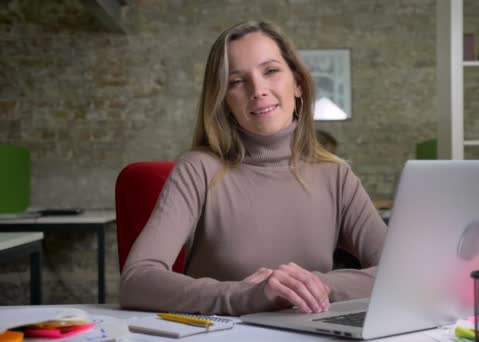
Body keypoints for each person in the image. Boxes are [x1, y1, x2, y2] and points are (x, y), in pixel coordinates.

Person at [119, 20, 387, 316]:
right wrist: (251, 294)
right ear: (223, 100)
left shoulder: (336, 176)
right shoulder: (197, 169)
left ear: (297, 83)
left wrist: (310, 286)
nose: (258, 90)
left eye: (271, 71)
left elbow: (404, 272)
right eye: (236, 81)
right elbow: (136, 280)